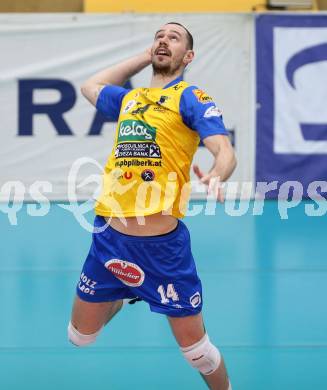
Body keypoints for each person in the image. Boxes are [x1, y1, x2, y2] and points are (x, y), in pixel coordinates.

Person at [68, 22, 236, 390]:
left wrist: (217, 174)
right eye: (159, 36)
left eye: (173, 38)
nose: (163, 40)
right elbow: (89, 87)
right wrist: (147, 55)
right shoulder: (131, 99)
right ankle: (127, 290)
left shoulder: (190, 97)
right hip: (109, 240)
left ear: (188, 56)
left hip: (163, 251)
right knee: (79, 336)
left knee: (199, 355)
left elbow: (224, 150)